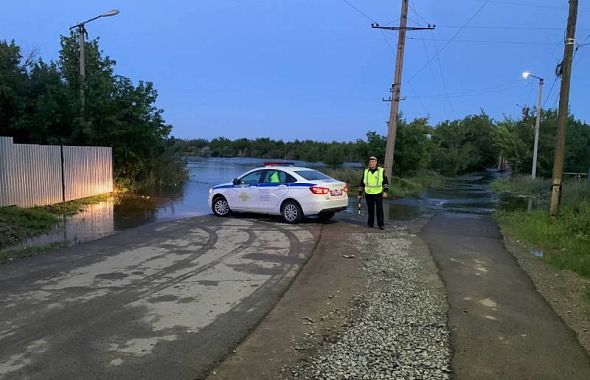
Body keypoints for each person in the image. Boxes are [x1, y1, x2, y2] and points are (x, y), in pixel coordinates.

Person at [357, 156, 389, 230]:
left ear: (376, 162)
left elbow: (385, 182)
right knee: (370, 209)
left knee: (379, 209)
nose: (371, 163)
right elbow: (361, 183)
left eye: (372, 162)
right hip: (368, 193)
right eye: (370, 162)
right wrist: (359, 194)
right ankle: (370, 224)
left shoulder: (381, 171)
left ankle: (381, 225)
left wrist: (385, 191)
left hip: (378, 193)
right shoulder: (366, 171)